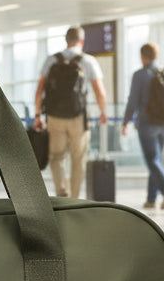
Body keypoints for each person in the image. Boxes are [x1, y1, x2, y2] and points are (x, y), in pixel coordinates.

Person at [33, 26, 109, 198]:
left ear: (66, 40)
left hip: (54, 117)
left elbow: (39, 91)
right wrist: (103, 112)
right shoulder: (88, 61)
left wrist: (38, 115)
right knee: (78, 158)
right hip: (78, 117)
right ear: (82, 41)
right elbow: (100, 92)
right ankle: (74, 198)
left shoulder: (52, 60)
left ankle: (62, 192)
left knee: (56, 157)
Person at [121, 43, 164, 210]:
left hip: (148, 123)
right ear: (156, 56)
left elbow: (132, 101)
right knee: (156, 161)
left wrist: (125, 121)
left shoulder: (139, 75)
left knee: (153, 160)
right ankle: (151, 199)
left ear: (142, 57)